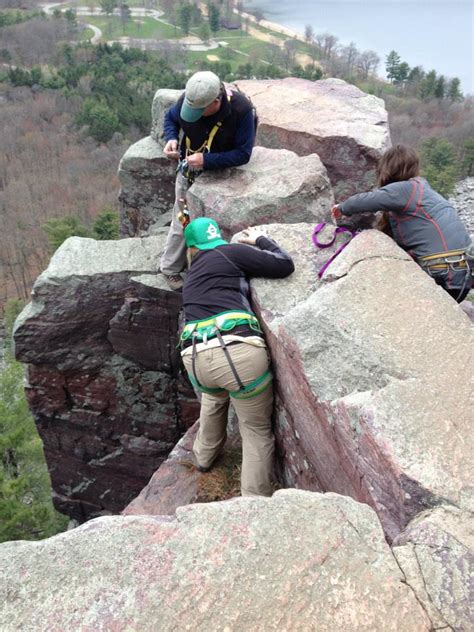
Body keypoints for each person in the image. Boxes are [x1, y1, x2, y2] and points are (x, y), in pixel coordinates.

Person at [179, 217, 295, 497]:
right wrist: (261, 240)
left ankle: (203, 458)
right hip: (236, 351)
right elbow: (283, 265)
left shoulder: (191, 276)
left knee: (215, 397)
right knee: (255, 430)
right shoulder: (230, 252)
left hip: (194, 356)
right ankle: (253, 504)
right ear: (216, 237)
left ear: (191, 248)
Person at [332, 144, 473, 302]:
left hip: (441, 275)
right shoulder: (424, 191)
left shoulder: (406, 189)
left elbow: (368, 200)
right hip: (462, 278)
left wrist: (342, 208)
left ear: (386, 169)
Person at [160, 71, 257, 291]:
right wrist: (172, 138)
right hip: (189, 170)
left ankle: (209, 273)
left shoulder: (241, 110)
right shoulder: (192, 97)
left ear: (216, 101)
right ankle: (171, 269)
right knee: (182, 219)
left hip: (221, 175)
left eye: (199, 111)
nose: (194, 114)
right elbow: (171, 118)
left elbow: (243, 153)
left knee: (212, 228)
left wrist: (207, 160)